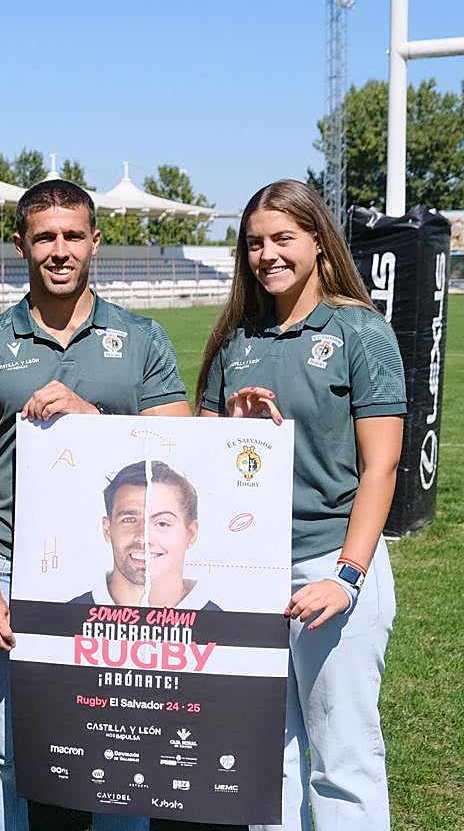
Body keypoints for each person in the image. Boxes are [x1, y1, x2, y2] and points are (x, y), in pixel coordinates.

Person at [0, 180, 191, 831]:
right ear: (21, 243)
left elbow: (180, 455)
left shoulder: (141, 340)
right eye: (45, 236)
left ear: (95, 241)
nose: (60, 250)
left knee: (120, 735)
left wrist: (95, 419)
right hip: (10, 565)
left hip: (117, 570)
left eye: (73, 236)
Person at [197, 179, 404, 831]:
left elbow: (382, 467)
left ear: (318, 241)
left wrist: (347, 576)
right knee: (262, 761)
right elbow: (203, 466)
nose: (268, 254)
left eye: (283, 238)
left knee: (342, 761)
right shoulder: (235, 340)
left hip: (330, 570)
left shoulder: (358, 330)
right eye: (255, 242)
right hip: (247, 576)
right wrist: (234, 428)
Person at [69, 459, 219, 610]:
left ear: (191, 534)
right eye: (129, 520)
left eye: (162, 523)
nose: (142, 538)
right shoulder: (66, 619)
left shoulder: (222, 627)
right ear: (108, 530)